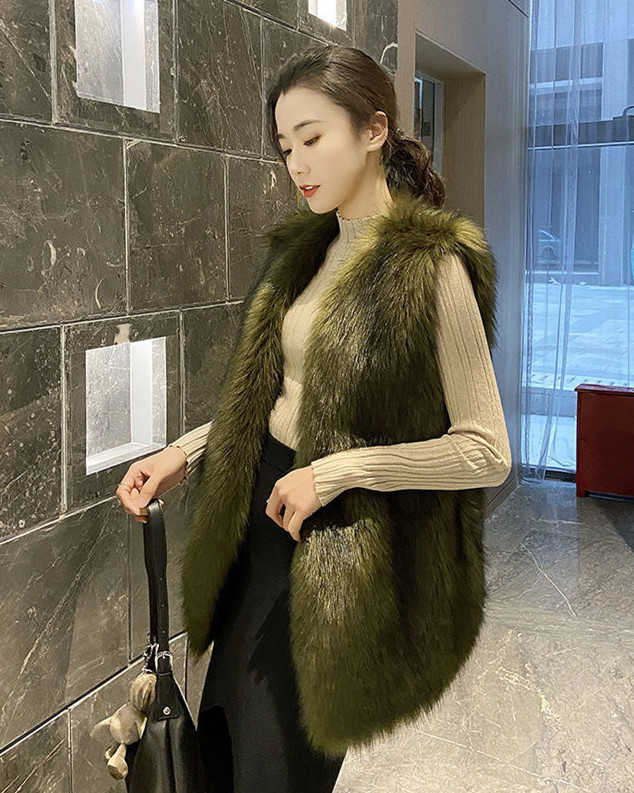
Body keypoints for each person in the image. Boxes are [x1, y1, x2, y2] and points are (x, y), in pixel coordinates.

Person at [116, 44, 511, 793]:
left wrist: (338, 471)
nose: (296, 164)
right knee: (222, 744)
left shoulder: (431, 265)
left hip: (339, 548)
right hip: (258, 523)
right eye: (285, 146)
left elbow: (486, 449)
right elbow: (272, 399)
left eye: (312, 138)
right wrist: (185, 453)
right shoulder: (304, 251)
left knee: (278, 768)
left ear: (373, 131)